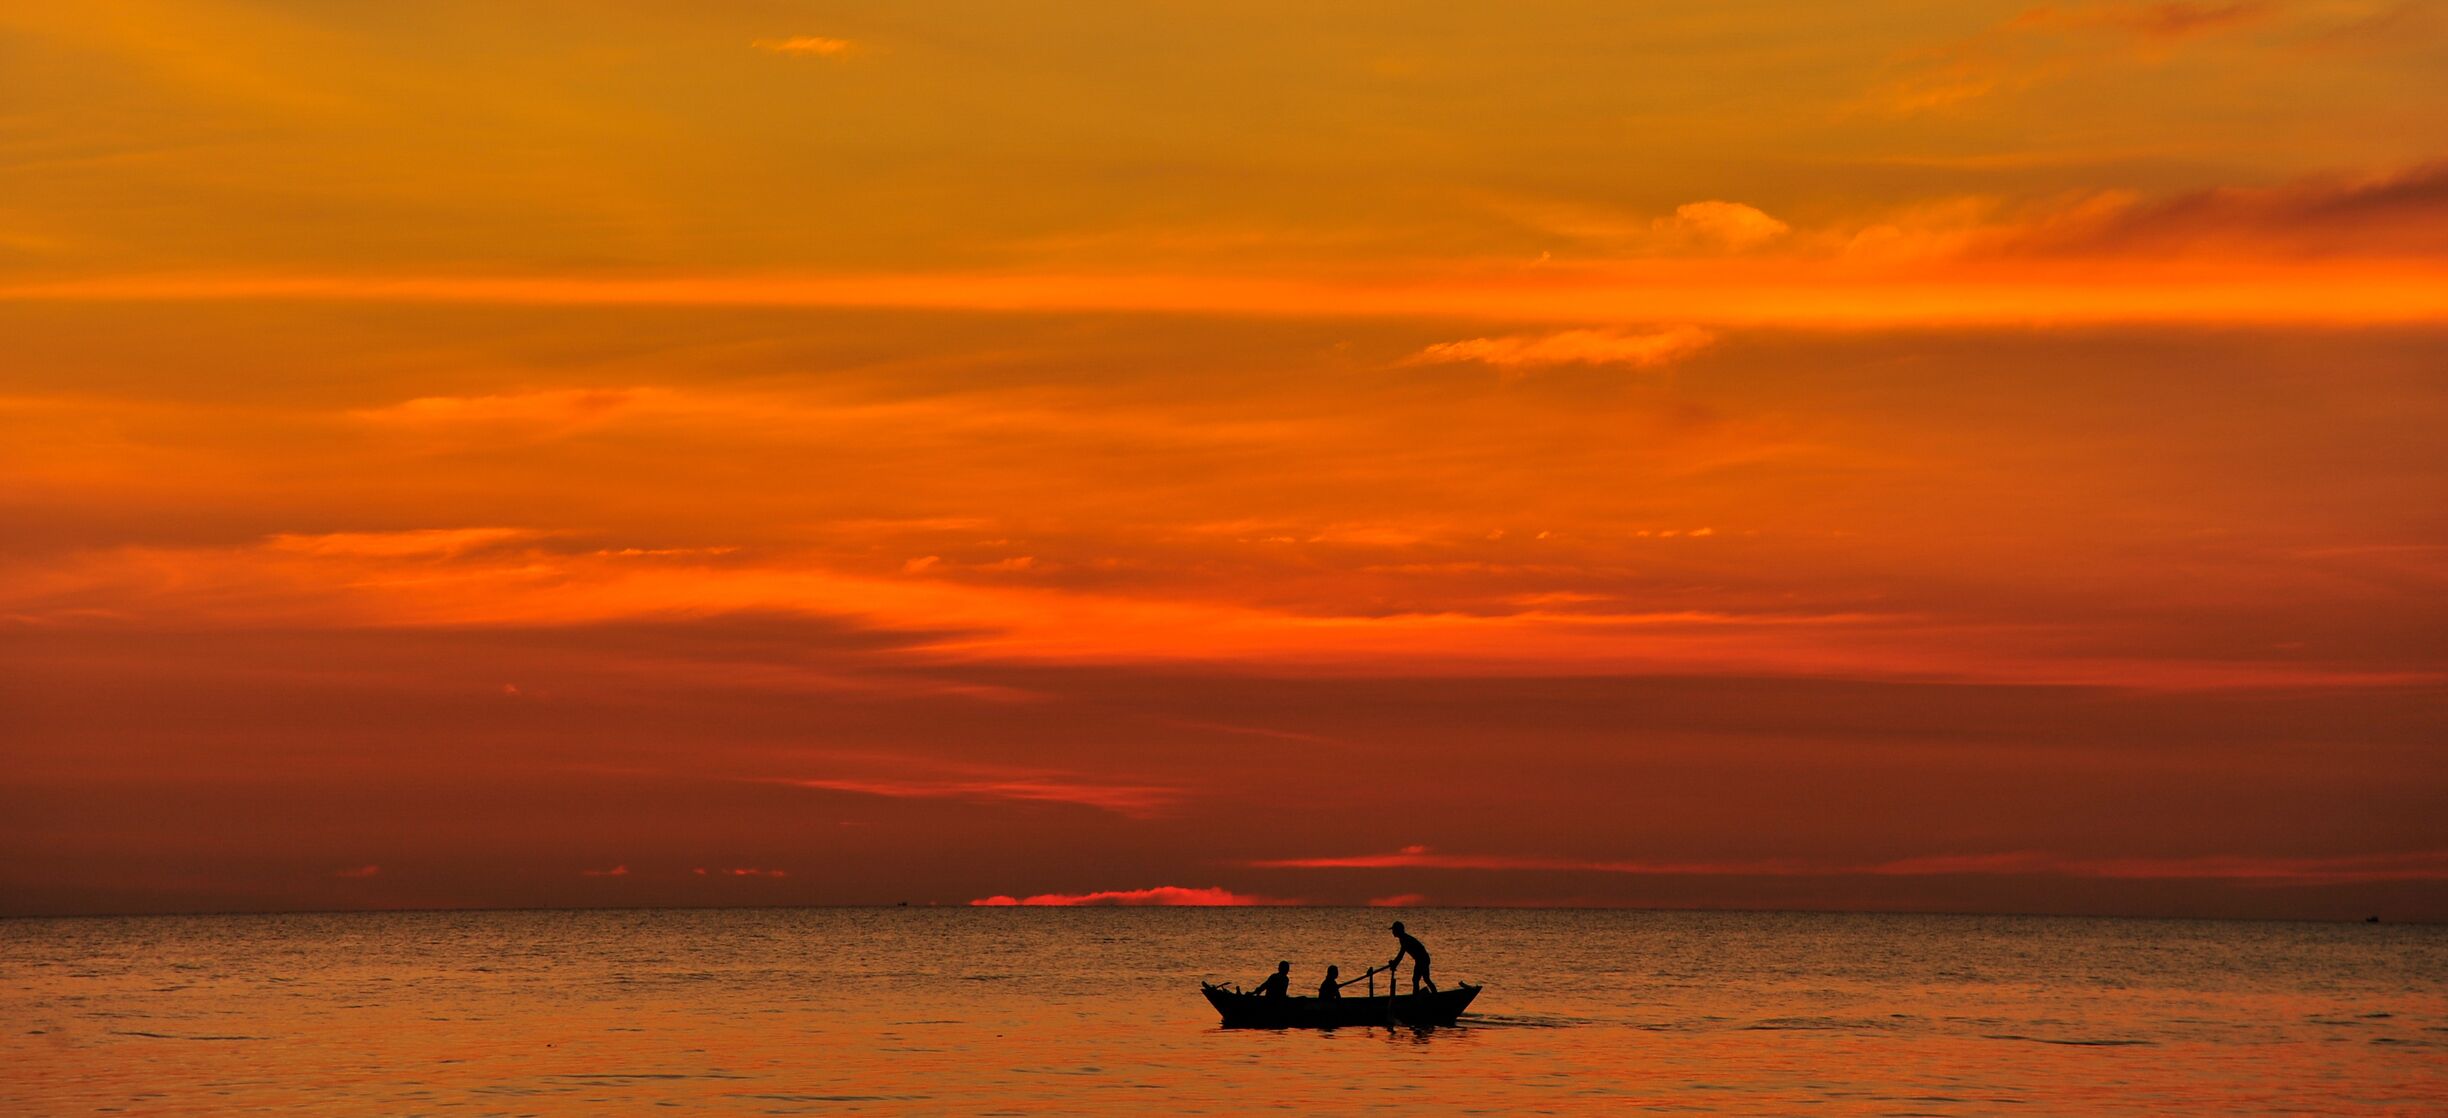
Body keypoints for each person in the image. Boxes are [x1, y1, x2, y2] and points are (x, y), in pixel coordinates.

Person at [1387, 920, 1436, 993]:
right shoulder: (1403, 938)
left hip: (1422, 959)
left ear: (1398, 930)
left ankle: (1416, 997)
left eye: (1394, 930)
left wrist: (1395, 964)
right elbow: (1400, 954)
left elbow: (1401, 955)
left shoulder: (1404, 939)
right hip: (1422, 959)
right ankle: (1433, 995)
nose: (1393, 932)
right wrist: (1394, 963)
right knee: (1424, 979)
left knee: (1417, 979)